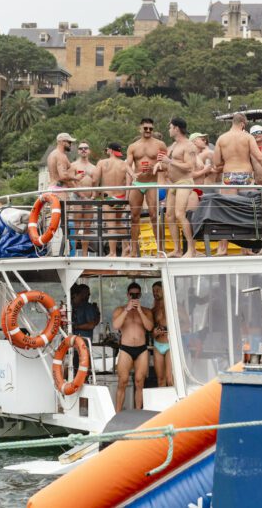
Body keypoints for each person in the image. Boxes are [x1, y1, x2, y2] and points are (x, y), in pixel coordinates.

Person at [213, 113, 262, 255]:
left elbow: (216, 162)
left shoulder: (222, 138)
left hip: (229, 176)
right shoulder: (247, 137)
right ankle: (245, 249)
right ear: (243, 123)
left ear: (232, 122)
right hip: (246, 176)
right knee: (246, 212)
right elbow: (259, 157)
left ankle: (222, 249)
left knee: (226, 212)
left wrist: (229, 160)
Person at [156, 118, 199, 258]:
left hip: (184, 182)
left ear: (176, 128)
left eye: (170, 127)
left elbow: (190, 166)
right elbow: (170, 164)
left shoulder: (189, 146)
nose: (168, 130)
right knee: (169, 215)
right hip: (173, 183)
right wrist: (160, 165)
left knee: (180, 214)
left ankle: (191, 249)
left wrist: (170, 161)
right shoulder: (173, 145)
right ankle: (177, 249)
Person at [126, 118, 168, 256]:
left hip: (152, 183)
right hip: (137, 183)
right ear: (140, 128)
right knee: (134, 216)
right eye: (146, 128)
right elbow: (126, 164)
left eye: (151, 128)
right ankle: (133, 250)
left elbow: (166, 165)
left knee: (154, 215)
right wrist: (132, 174)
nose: (148, 131)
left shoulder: (160, 145)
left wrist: (156, 167)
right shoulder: (133, 146)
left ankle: (160, 249)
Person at [112, 282, 154, 411]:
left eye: (136, 294)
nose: (134, 297)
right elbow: (116, 326)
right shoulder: (120, 309)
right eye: (132, 294)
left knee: (139, 382)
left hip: (141, 349)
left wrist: (140, 310)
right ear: (128, 295)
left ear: (140, 295)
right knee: (122, 381)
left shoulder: (146, 311)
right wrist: (127, 310)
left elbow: (149, 327)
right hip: (126, 348)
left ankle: (138, 412)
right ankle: (117, 413)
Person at [92, 142, 129, 257]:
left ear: (110, 151)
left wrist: (95, 193)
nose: (106, 151)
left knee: (111, 225)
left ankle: (112, 252)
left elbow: (95, 180)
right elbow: (128, 183)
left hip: (109, 197)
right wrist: (126, 200)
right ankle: (128, 245)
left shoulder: (102, 163)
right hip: (121, 197)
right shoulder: (124, 164)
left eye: (106, 150)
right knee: (118, 224)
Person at [69, 141, 97, 256]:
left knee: (87, 227)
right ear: (78, 151)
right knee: (76, 227)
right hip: (77, 198)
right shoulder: (73, 165)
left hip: (90, 199)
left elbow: (96, 184)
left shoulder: (94, 167)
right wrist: (81, 195)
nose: (84, 150)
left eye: (86, 148)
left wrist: (94, 196)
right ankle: (74, 254)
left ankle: (85, 255)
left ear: (89, 151)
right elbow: (71, 183)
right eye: (81, 148)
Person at [151, 281, 173, 386]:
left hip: (170, 345)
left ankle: (175, 403)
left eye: (158, 290)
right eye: (153, 291)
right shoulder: (153, 310)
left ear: (164, 290)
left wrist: (172, 330)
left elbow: (187, 324)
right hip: (157, 345)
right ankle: (163, 403)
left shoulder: (172, 306)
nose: (155, 293)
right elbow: (150, 330)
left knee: (170, 379)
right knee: (160, 379)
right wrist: (154, 333)